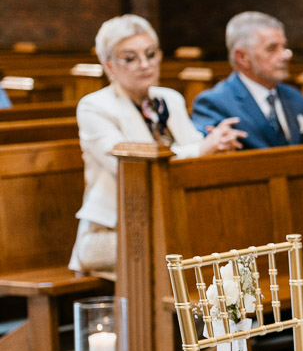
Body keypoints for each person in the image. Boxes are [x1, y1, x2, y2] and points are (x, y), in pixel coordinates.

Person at [69, 15, 244, 277]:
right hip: (112, 233)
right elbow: (132, 167)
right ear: (109, 66)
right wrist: (201, 149)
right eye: (130, 58)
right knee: (180, 250)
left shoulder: (169, 99)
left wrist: (218, 143)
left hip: (171, 222)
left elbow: (194, 148)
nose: (145, 64)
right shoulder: (94, 107)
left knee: (225, 238)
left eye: (151, 54)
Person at [190, 11, 303, 148]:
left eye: (284, 47)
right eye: (272, 49)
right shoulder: (214, 103)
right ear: (242, 57)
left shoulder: (294, 97)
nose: (285, 55)